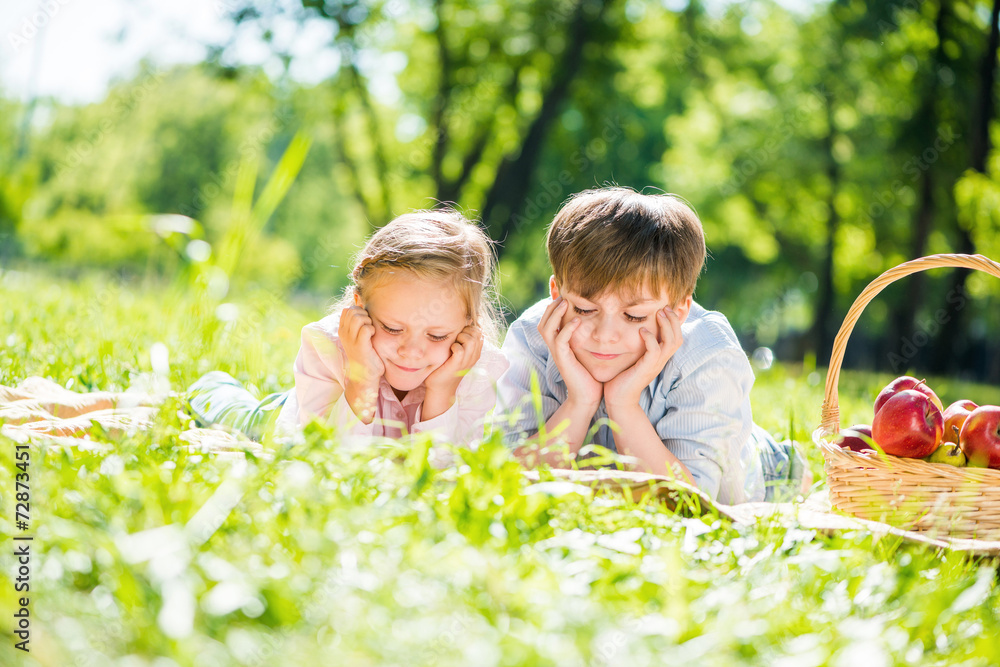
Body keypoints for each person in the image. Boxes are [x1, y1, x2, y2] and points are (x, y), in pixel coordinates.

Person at [496, 187, 808, 504]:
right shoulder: (533, 336)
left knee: (775, 469)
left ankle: (787, 463)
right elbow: (509, 482)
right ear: (556, 293)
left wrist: (623, 404)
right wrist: (580, 402)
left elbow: (688, 504)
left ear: (679, 310)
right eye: (585, 309)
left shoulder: (708, 352)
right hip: (607, 471)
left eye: (634, 316)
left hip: (747, 469)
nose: (605, 335)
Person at [188, 209, 508, 444]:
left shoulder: (476, 371)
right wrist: (361, 378)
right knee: (245, 417)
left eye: (437, 335)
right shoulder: (327, 346)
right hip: (296, 418)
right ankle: (211, 386)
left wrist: (442, 393)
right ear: (359, 305)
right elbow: (329, 458)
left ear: (469, 324)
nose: (411, 351)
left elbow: (445, 473)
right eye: (393, 328)